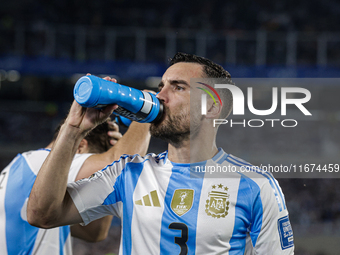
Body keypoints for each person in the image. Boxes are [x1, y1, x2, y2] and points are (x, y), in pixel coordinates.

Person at [27, 53, 294, 254]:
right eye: (160, 87)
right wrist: (73, 130)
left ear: (212, 108)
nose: (160, 97)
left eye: (178, 87)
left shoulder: (255, 187)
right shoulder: (127, 174)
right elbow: (42, 215)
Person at [0, 77, 152, 255]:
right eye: (93, 164)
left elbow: (95, 234)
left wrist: (109, 183)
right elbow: (122, 164)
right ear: (81, 146)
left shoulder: (23, 168)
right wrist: (147, 112)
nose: (99, 175)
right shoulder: (42, 161)